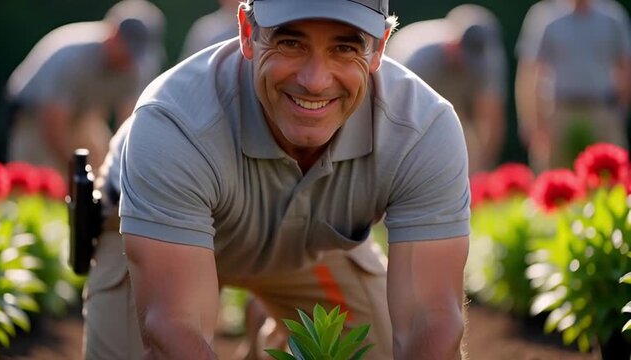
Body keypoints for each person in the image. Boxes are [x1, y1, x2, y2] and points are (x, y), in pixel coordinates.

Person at [113, 0, 470, 359]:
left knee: (369, 351)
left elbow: (431, 319)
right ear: (247, 33)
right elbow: (171, 326)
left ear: (379, 46)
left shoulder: (421, 130)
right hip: (152, 236)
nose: (314, 81)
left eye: (345, 48)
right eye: (289, 43)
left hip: (309, 251)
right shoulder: (174, 124)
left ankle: (272, 341)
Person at [4, 9, 151, 176]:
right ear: (113, 35)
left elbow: (127, 122)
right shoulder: (72, 57)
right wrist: (76, 171)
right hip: (34, 118)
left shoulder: (136, 64)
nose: (129, 59)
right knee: (38, 183)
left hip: (83, 115)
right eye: (126, 48)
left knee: (104, 167)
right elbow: (53, 122)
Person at [386, 6, 507, 175]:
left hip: (455, 103)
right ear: (453, 45)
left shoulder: (487, 60)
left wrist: (483, 166)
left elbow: (490, 115)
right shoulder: (417, 56)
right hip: (407, 102)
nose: (468, 67)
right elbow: (398, 116)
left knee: (468, 145)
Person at [515, 0, 631, 171]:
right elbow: (530, 72)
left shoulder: (613, 16)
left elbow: (625, 66)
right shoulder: (544, 16)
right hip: (558, 114)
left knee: (612, 182)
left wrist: (621, 111)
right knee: (554, 175)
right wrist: (530, 121)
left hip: (602, 111)